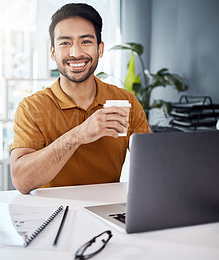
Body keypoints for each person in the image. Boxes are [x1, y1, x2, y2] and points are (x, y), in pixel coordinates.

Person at [10, 3, 151, 194]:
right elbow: (21, 181)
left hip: (106, 212)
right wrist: (79, 135)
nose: (76, 53)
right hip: (52, 215)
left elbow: (152, 163)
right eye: (65, 43)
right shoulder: (32, 108)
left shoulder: (125, 100)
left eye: (85, 42)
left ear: (100, 49)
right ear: (53, 52)